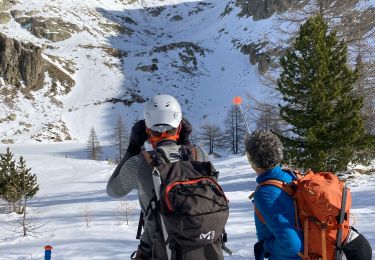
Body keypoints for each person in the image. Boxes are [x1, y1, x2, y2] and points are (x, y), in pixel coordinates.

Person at [106, 94, 224, 260]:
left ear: (147, 131)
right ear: (180, 128)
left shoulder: (139, 163)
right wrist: (186, 144)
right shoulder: (200, 155)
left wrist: (133, 147)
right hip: (206, 248)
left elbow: (113, 190)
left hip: (160, 249)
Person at [245, 130, 303, 260]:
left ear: (252, 161)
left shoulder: (266, 193)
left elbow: (291, 246)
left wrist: (264, 246)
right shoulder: (291, 176)